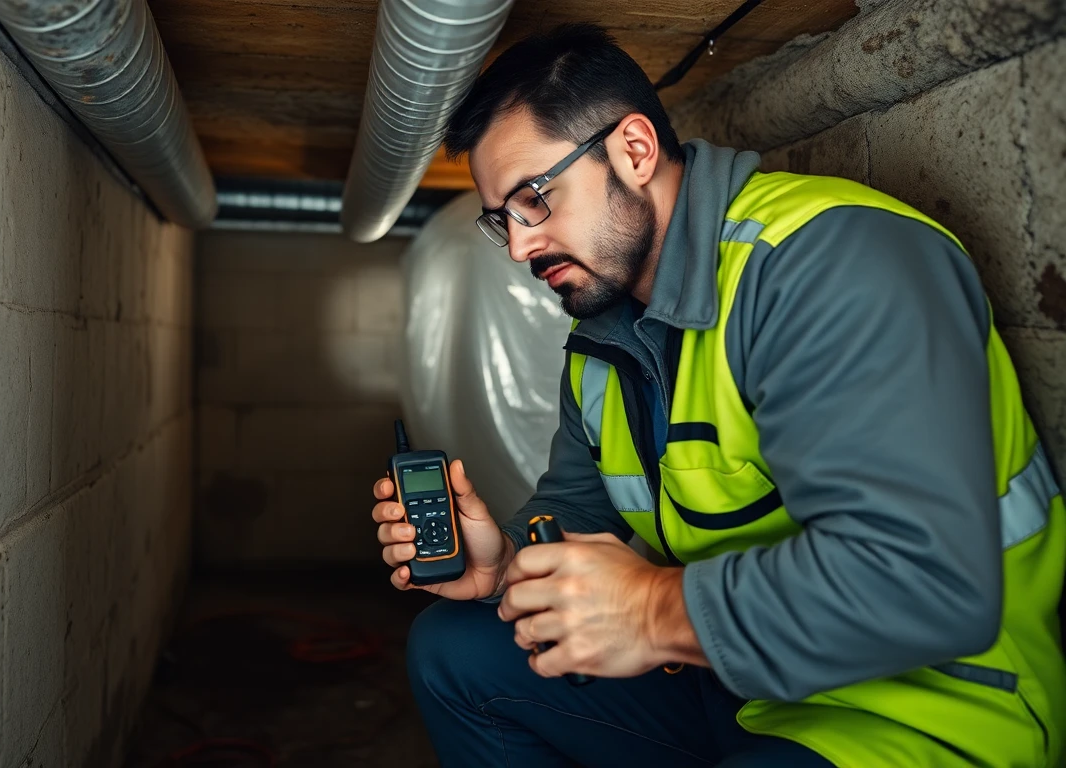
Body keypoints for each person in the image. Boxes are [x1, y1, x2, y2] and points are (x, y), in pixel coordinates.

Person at [369, 22, 1065, 768]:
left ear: (634, 151)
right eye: (500, 218)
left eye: (534, 198)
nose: (518, 245)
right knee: (455, 652)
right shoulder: (603, 340)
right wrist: (503, 562)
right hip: (735, 686)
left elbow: (925, 584)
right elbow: (576, 514)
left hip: (912, 712)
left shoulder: (826, 265)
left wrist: (650, 609)